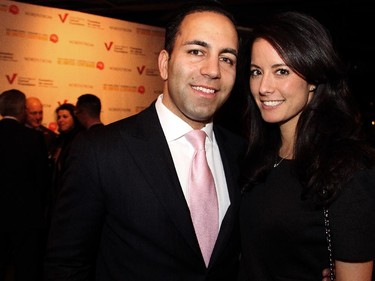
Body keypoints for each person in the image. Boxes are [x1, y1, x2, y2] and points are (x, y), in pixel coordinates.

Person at [44, 1, 246, 280]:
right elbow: (66, 266)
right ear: (165, 63)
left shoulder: (242, 153)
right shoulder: (100, 151)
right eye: (196, 51)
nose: (213, 70)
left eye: (227, 58)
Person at [238, 11, 375, 281]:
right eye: (256, 72)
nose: (264, 87)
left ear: (313, 79)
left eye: (281, 72)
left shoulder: (347, 169)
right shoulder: (255, 157)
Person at [0, 89, 49, 281]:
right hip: (26, 219)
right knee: (26, 270)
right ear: (22, 110)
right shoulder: (33, 138)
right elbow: (42, 181)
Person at [48, 103, 83, 221]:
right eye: (58, 117)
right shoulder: (59, 140)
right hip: (57, 197)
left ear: (74, 118)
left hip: (73, 198)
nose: (60, 120)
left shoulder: (80, 140)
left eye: (65, 116)